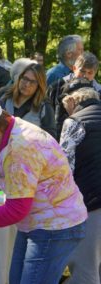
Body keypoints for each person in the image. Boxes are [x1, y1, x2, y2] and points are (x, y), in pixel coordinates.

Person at [0, 101, 87, 284]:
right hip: (38, 223)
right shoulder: (9, 127)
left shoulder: (20, 148)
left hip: (55, 227)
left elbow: (16, 210)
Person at [59, 87, 101, 284]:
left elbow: (64, 166)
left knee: (85, 270)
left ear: (73, 102)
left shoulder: (74, 122)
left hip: (92, 203)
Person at [0, 63, 57, 138]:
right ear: (20, 78)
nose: (27, 84)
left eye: (33, 82)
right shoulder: (5, 96)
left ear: (39, 85)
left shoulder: (44, 106)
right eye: (25, 79)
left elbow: (50, 137)